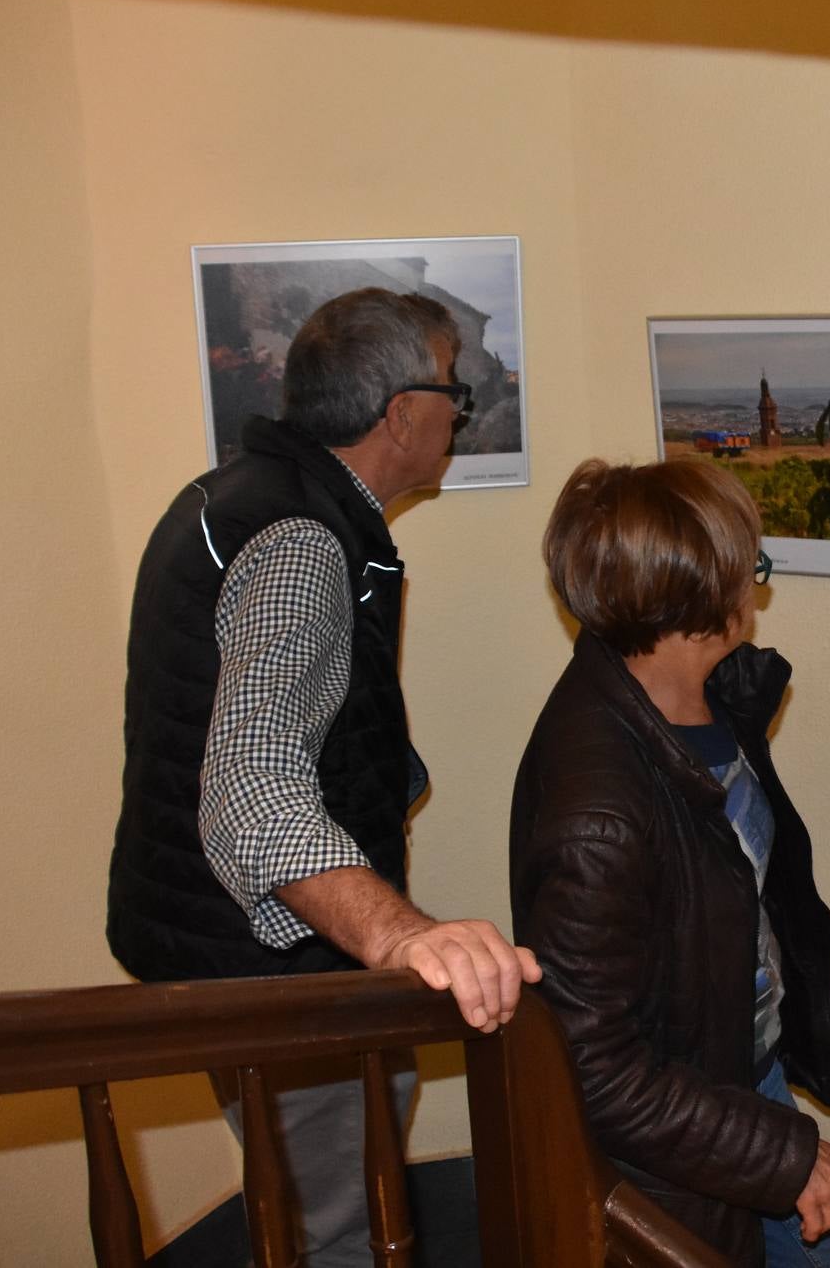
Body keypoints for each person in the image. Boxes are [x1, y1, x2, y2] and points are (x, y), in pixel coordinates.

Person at [106, 287, 540, 1268]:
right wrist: (400, 936)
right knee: (340, 1228)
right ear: (400, 415)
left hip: (219, 947)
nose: (461, 410)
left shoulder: (239, 497)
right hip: (279, 977)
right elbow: (253, 797)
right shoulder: (300, 543)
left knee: (311, 1200)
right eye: (452, 391)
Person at [511, 457, 830, 1268]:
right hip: (679, 1114)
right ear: (699, 594)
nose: (758, 584)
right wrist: (780, 1156)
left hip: (741, 1064)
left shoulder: (695, 701)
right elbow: (593, 1069)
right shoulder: (596, 818)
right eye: (752, 566)